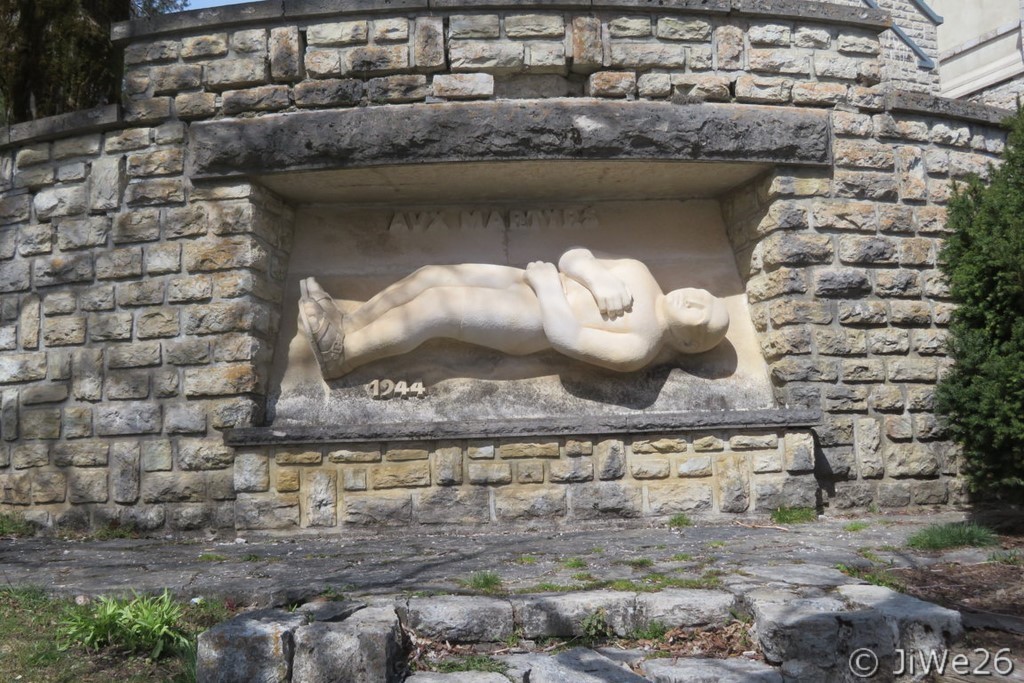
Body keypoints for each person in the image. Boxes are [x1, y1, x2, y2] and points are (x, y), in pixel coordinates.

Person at [299, 247, 729, 379]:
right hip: (536, 280)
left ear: (689, 342)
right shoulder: (640, 270)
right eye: (704, 295)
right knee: (430, 276)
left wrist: (547, 289)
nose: (695, 299)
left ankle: (346, 354)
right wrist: (597, 277)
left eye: (702, 316)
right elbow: (574, 255)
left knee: (435, 309)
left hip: (534, 318)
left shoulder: (639, 346)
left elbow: (568, 340)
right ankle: (348, 324)